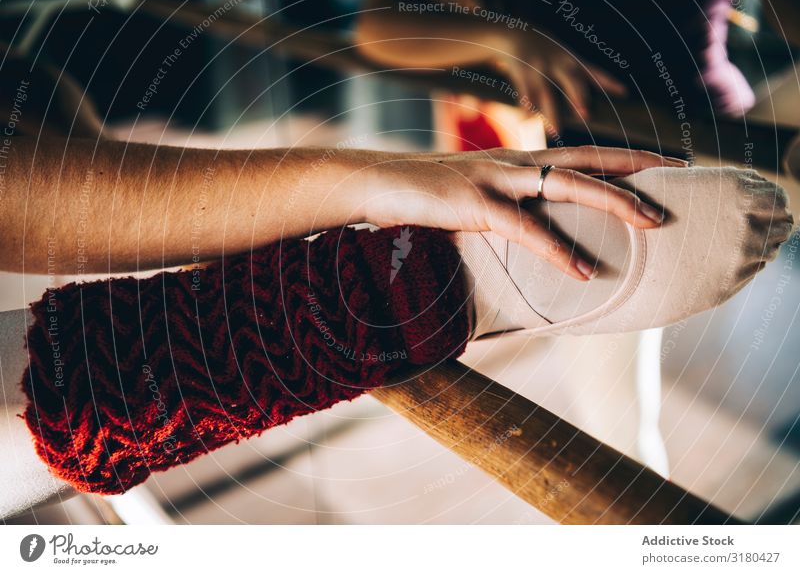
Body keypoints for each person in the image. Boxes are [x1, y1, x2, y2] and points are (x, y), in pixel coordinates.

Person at [0, 41, 793, 517]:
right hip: (585, 152)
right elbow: (386, 24)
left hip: (703, 127)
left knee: (36, 90)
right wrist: (372, 176)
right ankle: (412, 289)